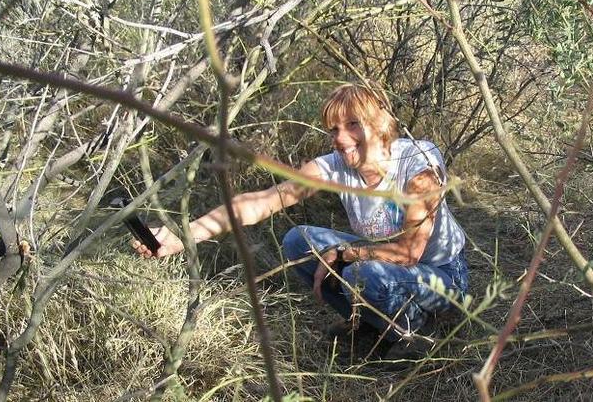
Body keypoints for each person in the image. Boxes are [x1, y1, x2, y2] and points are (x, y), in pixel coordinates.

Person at [132, 83, 469, 356]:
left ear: (380, 122)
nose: (340, 138)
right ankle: (371, 323)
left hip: (441, 273)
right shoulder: (334, 164)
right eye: (334, 128)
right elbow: (263, 202)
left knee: (361, 271)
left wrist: (344, 253)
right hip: (380, 262)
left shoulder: (418, 160)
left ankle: (412, 331)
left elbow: (410, 252)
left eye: (353, 124)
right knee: (299, 240)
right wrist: (183, 235)